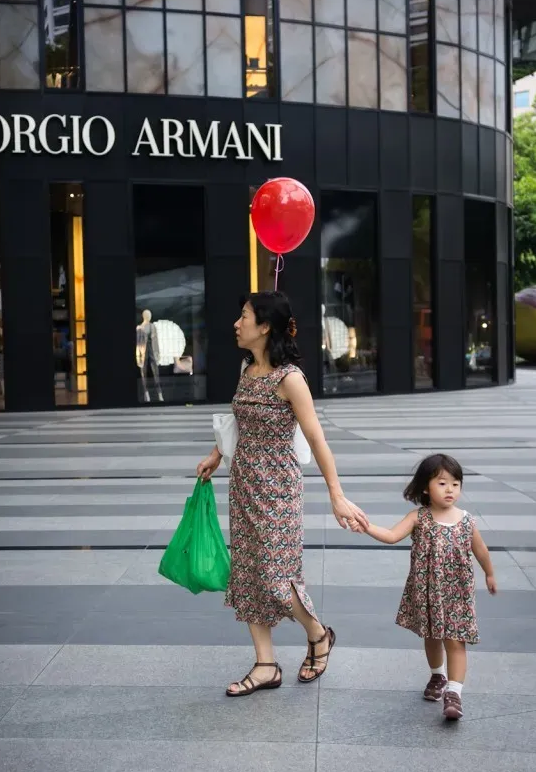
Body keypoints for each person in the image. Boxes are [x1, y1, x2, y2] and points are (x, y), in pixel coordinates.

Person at [197, 291, 368, 697]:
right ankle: (265, 664)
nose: (236, 324)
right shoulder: (247, 369)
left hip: (279, 491)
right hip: (243, 487)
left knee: (277, 578)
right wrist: (215, 455)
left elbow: (317, 438)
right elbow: (238, 424)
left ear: (265, 327)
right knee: (249, 574)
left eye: (244, 317)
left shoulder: (290, 379)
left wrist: (336, 494)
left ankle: (318, 634)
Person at [355, 453, 497, 720]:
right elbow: (391, 535)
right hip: (428, 591)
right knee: (432, 636)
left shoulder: (466, 520)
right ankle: (437, 675)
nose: (450, 489)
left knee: (456, 640)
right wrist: (366, 526)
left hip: (457, 593)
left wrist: (489, 573)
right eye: (442, 483)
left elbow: (481, 550)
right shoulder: (419, 517)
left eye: (455, 484)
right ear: (425, 487)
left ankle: (454, 694)